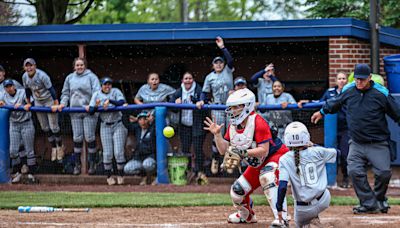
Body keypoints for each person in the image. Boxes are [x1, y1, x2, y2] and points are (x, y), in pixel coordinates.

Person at [311, 63, 400, 214]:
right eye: (357, 79)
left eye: (362, 79)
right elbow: (335, 103)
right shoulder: (349, 89)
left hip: (378, 142)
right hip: (356, 142)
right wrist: (321, 112)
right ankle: (368, 203)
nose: (359, 82)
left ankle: (378, 199)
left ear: (370, 78)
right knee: (354, 171)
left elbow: (396, 112)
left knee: (384, 173)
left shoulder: (381, 93)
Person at [204, 88, 290, 226]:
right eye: (231, 108)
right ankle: (246, 216)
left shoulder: (258, 122)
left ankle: (282, 219)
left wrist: (242, 152)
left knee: (268, 177)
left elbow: (264, 150)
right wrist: (217, 135)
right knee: (237, 192)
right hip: (257, 163)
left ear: (247, 106)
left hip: (277, 156)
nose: (233, 111)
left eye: (236, 107)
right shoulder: (233, 126)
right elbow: (223, 150)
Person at [276, 121, 337, 227]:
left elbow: (282, 187)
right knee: (319, 191)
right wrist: (313, 145)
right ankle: (314, 219)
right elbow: (338, 153)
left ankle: (309, 222)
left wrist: (279, 208)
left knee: (300, 224)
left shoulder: (284, 159)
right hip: (323, 200)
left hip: (303, 210)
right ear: (306, 137)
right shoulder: (317, 151)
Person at [197, 36, 234, 175]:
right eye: (216, 63)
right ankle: (215, 158)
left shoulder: (228, 71)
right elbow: (205, 92)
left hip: (230, 107)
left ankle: (229, 160)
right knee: (217, 134)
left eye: (220, 63)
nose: (218, 65)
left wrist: (222, 47)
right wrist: (201, 100)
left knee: (231, 134)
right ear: (213, 65)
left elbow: (230, 60)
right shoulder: (209, 77)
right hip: (217, 107)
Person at [58, 57, 101, 175]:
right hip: (75, 111)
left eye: (81, 65)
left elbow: (97, 92)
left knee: (89, 137)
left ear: (85, 65)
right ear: (74, 67)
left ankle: (92, 163)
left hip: (88, 111)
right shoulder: (70, 78)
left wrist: (91, 105)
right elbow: (65, 93)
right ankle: (77, 165)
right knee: (77, 138)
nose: (79, 67)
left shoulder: (91, 77)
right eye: (77, 65)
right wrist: (63, 104)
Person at [22, 58, 64, 162]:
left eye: (31, 65)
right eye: (27, 66)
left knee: (54, 127)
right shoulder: (24, 77)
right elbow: (27, 90)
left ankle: (60, 146)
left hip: (48, 100)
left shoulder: (42, 75)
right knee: (45, 127)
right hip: (38, 101)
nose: (29, 68)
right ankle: (54, 147)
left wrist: (56, 102)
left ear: (35, 66)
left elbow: (51, 89)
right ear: (24, 67)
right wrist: (28, 102)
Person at [170, 72, 208, 185]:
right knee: (185, 150)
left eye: (190, 78)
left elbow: (204, 100)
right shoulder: (178, 91)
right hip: (184, 125)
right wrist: (175, 103)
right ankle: (187, 173)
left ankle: (199, 172)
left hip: (197, 125)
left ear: (193, 80)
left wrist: (200, 102)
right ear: (182, 80)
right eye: (185, 78)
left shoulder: (199, 90)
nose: (188, 80)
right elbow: (172, 107)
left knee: (198, 150)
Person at [88, 77, 127, 185]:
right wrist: (97, 106)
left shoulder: (115, 91)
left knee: (118, 152)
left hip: (118, 124)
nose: (107, 86)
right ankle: (109, 177)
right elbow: (91, 111)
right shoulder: (96, 94)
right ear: (101, 85)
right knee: (108, 153)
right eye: (105, 84)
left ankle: (120, 175)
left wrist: (110, 101)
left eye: (109, 84)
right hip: (105, 125)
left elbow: (121, 102)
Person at [0, 79, 36, 184]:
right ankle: (18, 172)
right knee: (13, 151)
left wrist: (24, 104)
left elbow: (32, 102)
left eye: (10, 86)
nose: (9, 88)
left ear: (14, 86)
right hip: (14, 124)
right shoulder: (3, 95)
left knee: (29, 150)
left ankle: (31, 174)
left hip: (26, 122)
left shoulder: (22, 92)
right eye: (7, 87)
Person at [320, 72, 350, 188]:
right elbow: (321, 103)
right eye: (339, 79)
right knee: (331, 153)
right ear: (336, 80)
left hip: (345, 128)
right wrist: (305, 102)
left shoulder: (349, 92)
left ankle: (346, 177)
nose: (341, 81)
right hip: (331, 128)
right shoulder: (330, 92)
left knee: (344, 154)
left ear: (346, 80)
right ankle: (331, 179)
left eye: (343, 78)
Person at [124, 111, 157, 185]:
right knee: (127, 169)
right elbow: (126, 123)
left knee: (147, 165)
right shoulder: (137, 128)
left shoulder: (153, 128)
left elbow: (158, 123)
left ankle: (153, 176)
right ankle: (143, 177)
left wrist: (153, 119)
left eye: (145, 119)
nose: (143, 122)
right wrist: (126, 111)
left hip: (150, 157)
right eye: (140, 119)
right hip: (138, 158)